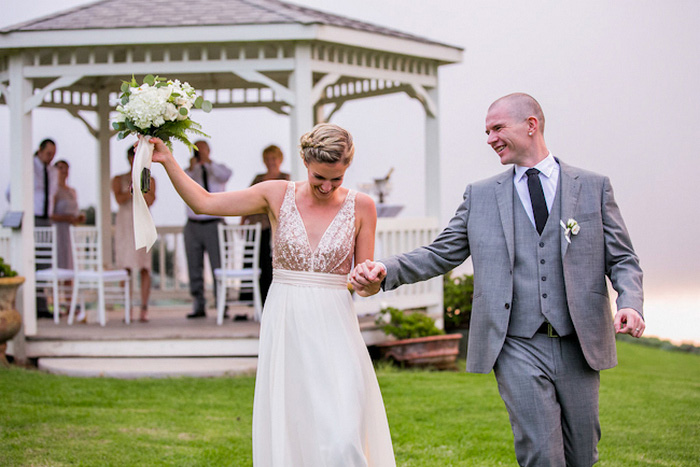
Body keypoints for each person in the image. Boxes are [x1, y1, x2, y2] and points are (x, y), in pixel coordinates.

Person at [352, 93, 644, 466]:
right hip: (516, 343)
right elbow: (441, 253)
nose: (489, 138)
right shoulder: (481, 195)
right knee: (541, 452)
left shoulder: (593, 187)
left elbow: (622, 258)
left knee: (583, 453)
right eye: (487, 131)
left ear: (531, 125)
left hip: (579, 343)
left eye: (497, 128)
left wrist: (630, 302)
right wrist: (385, 270)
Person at [148, 123, 395, 466]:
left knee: (343, 434)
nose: (326, 186)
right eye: (318, 177)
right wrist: (167, 160)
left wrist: (370, 279)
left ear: (347, 168)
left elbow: (364, 285)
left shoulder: (363, 207)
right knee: (293, 425)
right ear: (305, 163)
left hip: (336, 324)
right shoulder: (276, 194)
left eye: (335, 179)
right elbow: (203, 202)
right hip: (287, 321)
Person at [182, 140, 232, 319]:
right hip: (193, 224)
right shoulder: (189, 171)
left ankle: (222, 304)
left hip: (214, 223)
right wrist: (194, 167)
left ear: (209, 150)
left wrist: (207, 164)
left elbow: (224, 176)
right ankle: (198, 304)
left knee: (219, 266)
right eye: (196, 149)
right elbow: (184, 184)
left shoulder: (218, 168)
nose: (200, 152)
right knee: (193, 266)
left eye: (202, 149)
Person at [240, 145, 290, 307]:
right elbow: (246, 199)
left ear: (280, 159)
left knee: (273, 263)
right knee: (257, 263)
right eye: (268, 159)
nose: (271, 162)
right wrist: (243, 221)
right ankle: (257, 301)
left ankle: (273, 300)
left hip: (277, 228)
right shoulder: (258, 179)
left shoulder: (285, 177)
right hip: (257, 227)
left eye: (274, 158)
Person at [112, 146, 156, 323]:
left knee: (145, 266)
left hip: (142, 221)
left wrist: (140, 187)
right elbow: (118, 198)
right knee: (126, 267)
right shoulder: (118, 179)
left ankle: (144, 307)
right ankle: (127, 307)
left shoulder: (148, 178)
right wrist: (132, 189)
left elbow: (151, 200)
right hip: (125, 224)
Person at [51, 160, 86, 270]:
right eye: (60, 168)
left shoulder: (72, 191)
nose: (64, 171)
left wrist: (78, 218)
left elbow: (74, 212)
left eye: (66, 168)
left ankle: (70, 286)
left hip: (71, 231)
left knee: (72, 262)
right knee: (59, 261)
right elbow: (50, 214)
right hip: (58, 231)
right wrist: (66, 218)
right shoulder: (54, 190)